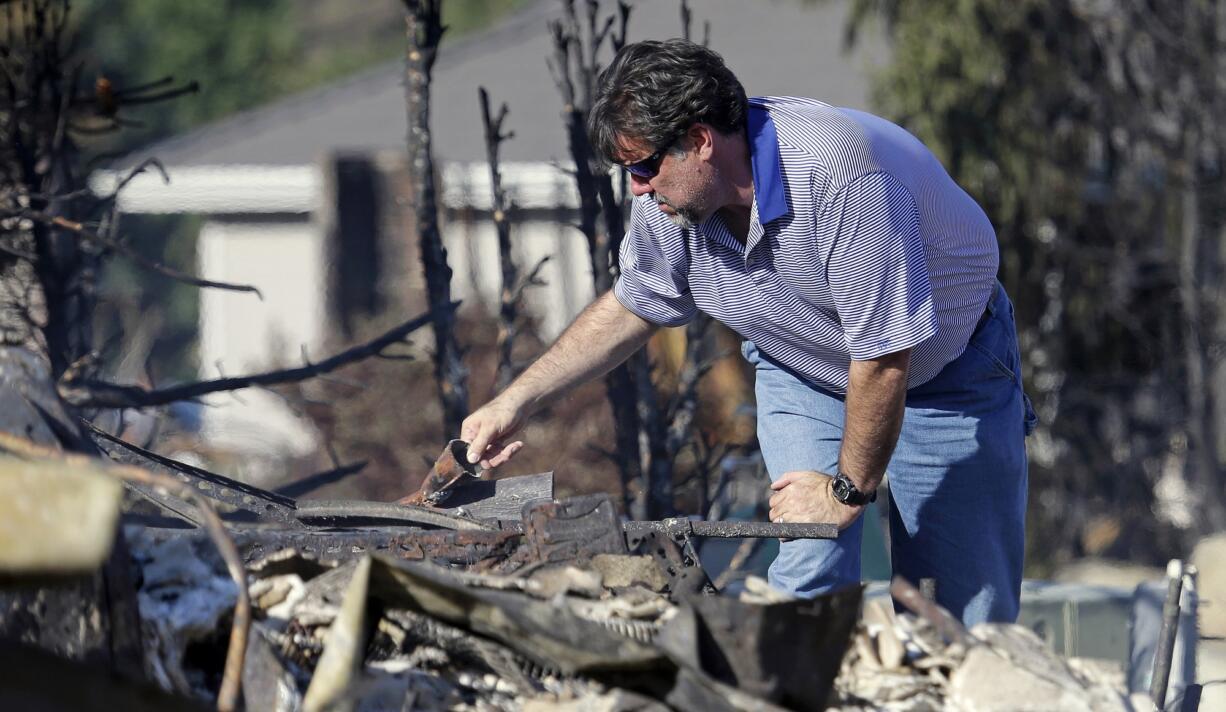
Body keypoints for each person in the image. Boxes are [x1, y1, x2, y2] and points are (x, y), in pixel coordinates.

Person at [460, 38, 1036, 626]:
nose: (637, 187)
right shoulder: (670, 202)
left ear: (701, 141)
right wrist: (516, 401)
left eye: (643, 166)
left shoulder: (838, 176)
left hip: (945, 374)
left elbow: (885, 357)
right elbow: (634, 305)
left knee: (958, 611)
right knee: (809, 558)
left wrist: (845, 491)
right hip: (805, 366)